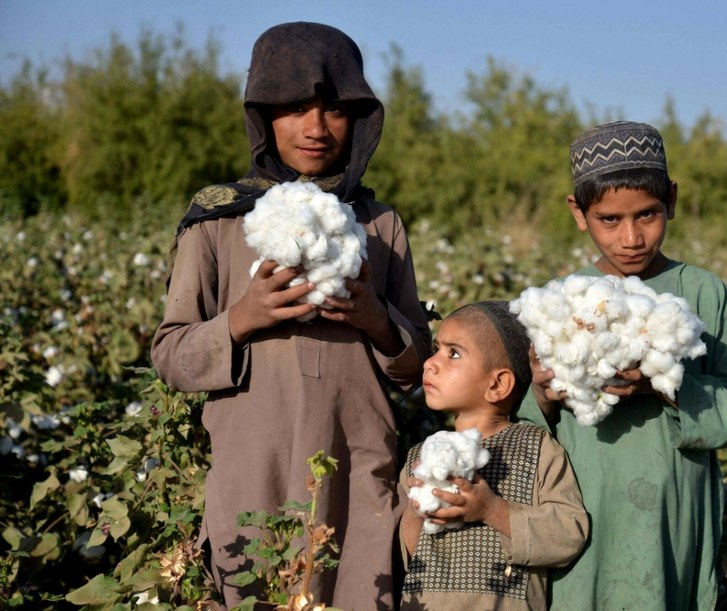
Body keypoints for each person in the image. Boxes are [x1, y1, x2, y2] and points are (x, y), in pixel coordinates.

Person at [151, 22, 432, 610]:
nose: (315, 126)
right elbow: (171, 355)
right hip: (253, 471)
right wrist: (243, 318)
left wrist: (376, 319)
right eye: (295, 107)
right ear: (262, 115)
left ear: (358, 118)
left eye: (333, 109)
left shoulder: (379, 226)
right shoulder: (218, 221)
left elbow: (418, 370)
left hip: (356, 471)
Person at [517, 121, 727, 610]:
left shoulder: (702, 293)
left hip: (675, 514)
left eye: (648, 215)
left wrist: (665, 387)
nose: (631, 237)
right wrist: (543, 395)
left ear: (671, 200)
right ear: (578, 212)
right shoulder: (560, 304)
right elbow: (522, 425)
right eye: (609, 219)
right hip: (587, 512)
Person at [399, 301, 589, 610]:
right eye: (436, 349)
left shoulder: (536, 447)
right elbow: (407, 552)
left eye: (454, 353)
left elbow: (569, 533)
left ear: (498, 384)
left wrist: (491, 510)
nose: (429, 363)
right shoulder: (419, 457)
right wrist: (415, 509)